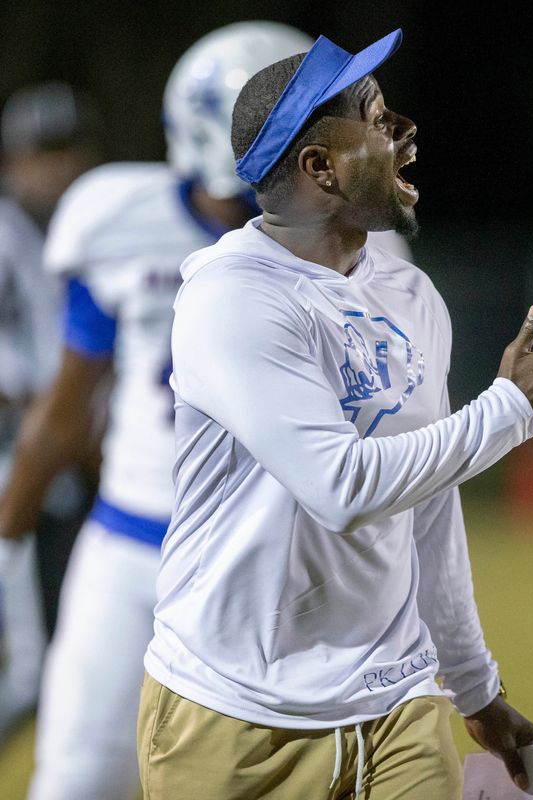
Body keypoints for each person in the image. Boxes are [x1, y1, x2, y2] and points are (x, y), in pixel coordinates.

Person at [137, 28, 533, 800]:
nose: (403, 135)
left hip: (396, 703)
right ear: (320, 168)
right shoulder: (233, 296)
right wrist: (513, 408)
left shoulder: (408, 294)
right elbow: (342, 488)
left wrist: (473, 686)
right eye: (376, 120)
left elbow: (427, 505)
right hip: (234, 714)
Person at [0, 22, 396, 800]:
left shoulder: (363, 247)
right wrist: (6, 549)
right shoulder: (117, 220)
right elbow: (64, 410)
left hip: (277, 573)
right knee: (77, 782)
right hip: (129, 553)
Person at [0, 81, 101, 741]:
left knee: (55, 661)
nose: (57, 168)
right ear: (12, 161)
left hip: (68, 474)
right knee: (31, 670)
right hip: (14, 462)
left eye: (68, 151)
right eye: (42, 152)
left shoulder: (96, 236)